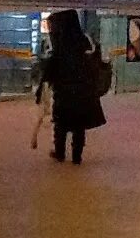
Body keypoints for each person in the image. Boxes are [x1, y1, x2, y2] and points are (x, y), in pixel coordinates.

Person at [40, 10, 106, 164]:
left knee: (61, 125)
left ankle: (60, 153)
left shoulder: (61, 44)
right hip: (84, 92)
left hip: (65, 93)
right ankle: (77, 156)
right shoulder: (84, 42)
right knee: (79, 126)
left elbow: (52, 68)